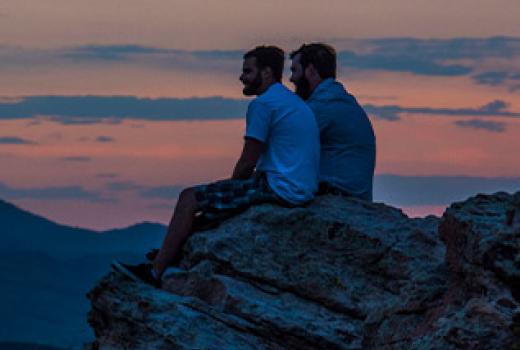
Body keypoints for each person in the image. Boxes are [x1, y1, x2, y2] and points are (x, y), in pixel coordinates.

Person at [114, 46, 320, 287]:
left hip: (281, 188)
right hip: (302, 187)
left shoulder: (264, 105)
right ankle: (169, 257)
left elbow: (247, 162)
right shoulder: (292, 102)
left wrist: (231, 187)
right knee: (210, 209)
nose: (241, 77)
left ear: (266, 73)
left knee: (189, 199)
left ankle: (154, 273)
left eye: (247, 71)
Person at [289, 43, 376, 200]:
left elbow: (286, 143)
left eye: (295, 70)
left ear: (310, 70)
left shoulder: (324, 104)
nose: (291, 79)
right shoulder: (336, 98)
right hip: (348, 192)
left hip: (340, 194)